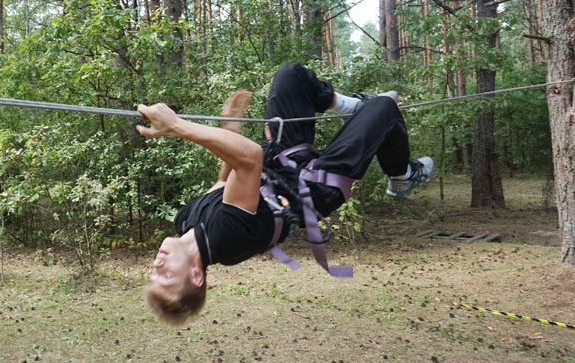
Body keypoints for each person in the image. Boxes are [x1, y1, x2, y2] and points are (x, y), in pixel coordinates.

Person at [136, 63, 433, 325]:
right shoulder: (224, 242)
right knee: (383, 108)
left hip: (280, 164)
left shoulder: (185, 221)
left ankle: (350, 107)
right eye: (167, 277)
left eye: (153, 274)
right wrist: (177, 126)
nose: (157, 266)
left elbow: (224, 182)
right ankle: (402, 175)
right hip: (314, 188)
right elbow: (250, 158)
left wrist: (231, 129)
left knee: (291, 76)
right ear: (196, 276)